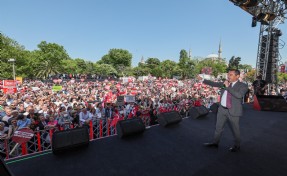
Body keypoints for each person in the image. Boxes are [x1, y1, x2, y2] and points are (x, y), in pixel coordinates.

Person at [197, 69, 248, 152]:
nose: (228, 76)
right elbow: (214, 83)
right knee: (218, 128)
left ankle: (237, 145)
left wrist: (227, 87)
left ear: (237, 76)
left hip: (233, 111)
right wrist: (202, 79)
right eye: (228, 74)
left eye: (231, 74)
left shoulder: (243, 86)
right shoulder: (225, 83)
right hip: (222, 109)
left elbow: (238, 95)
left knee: (235, 129)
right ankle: (215, 143)